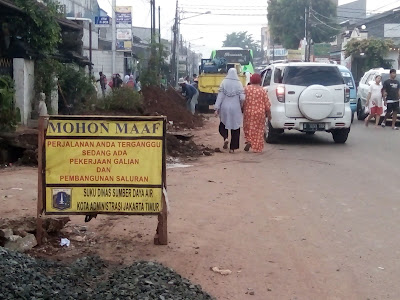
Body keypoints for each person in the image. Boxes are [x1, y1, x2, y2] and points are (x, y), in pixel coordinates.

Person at [214, 68, 245, 153]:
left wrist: (216, 108)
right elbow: (242, 98)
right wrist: (242, 106)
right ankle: (232, 148)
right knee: (235, 127)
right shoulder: (239, 83)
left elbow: (220, 96)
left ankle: (226, 138)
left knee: (223, 124)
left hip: (225, 107)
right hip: (235, 108)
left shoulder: (224, 82)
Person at [243, 73, 271, 152]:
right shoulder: (262, 90)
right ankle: (257, 148)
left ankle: (249, 140)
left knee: (248, 128)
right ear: (259, 80)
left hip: (248, 112)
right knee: (259, 130)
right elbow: (267, 104)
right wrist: (269, 114)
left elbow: (242, 100)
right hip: (260, 113)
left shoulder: (246, 89)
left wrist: (242, 108)